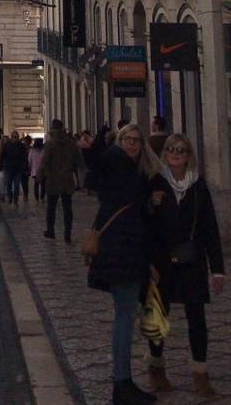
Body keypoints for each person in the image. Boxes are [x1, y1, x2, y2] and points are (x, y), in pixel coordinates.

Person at [85, 121, 161, 405]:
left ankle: (123, 381)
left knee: (125, 316)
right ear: (119, 141)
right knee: (125, 318)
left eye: (136, 140)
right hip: (122, 254)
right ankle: (122, 383)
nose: (132, 144)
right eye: (127, 139)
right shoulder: (119, 167)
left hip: (122, 253)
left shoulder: (128, 171)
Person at [147, 132, 225, 398]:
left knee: (197, 318)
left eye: (181, 150)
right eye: (171, 149)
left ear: (188, 155)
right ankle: (156, 368)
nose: (176, 154)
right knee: (158, 317)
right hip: (162, 262)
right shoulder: (156, 183)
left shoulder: (198, 186)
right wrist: (150, 204)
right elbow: (146, 226)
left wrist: (218, 269)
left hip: (192, 260)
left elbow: (210, 229)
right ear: (165, 154)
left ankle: (201, 373)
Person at [41, 118, 81, 243]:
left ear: (52, 129)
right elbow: (79, 162)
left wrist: (39, 175)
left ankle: (51, 231)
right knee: (67, 208)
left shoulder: (50, 144)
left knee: (51, 207)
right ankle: (67, 234)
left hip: (53, 179)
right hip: (67, 180)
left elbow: (44, 162)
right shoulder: (71, 143)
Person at [2, 130, 28, 207]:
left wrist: (24, 167)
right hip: (8, 168)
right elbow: (3, 155)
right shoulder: (7, 145)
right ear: (11, 137)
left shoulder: (21, 146)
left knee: (16, 185)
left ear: (18, 137)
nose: (15, 138)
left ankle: (15, 200)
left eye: (16, 137)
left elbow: (24, 157)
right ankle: (10, 195)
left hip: (18, 169)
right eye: (13, 137)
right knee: (9, 184)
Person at [29, 136, 46, 202]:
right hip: (43, 170)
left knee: (36, 184)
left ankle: (37, 197)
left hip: (35, 170)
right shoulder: (44, 150)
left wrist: (30, 167)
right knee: (43, 184)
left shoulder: (32, 151)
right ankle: (42, 197)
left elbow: (30, 160)